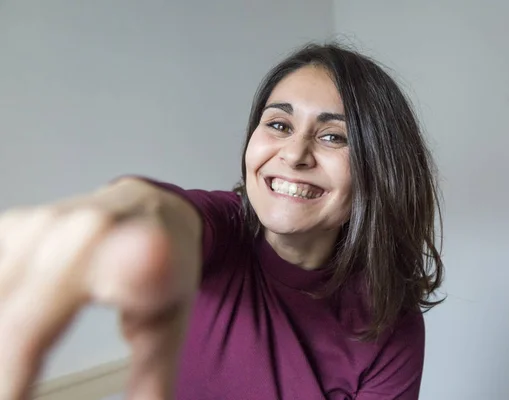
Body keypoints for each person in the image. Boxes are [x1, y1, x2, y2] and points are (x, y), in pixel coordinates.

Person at [0, 43, 444, 399]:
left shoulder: (391, 323)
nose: (293, 154)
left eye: (333, 136)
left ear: (379, 170)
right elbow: (164, 212)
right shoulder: (220, 230)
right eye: (279, 125)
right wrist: (109, 210)